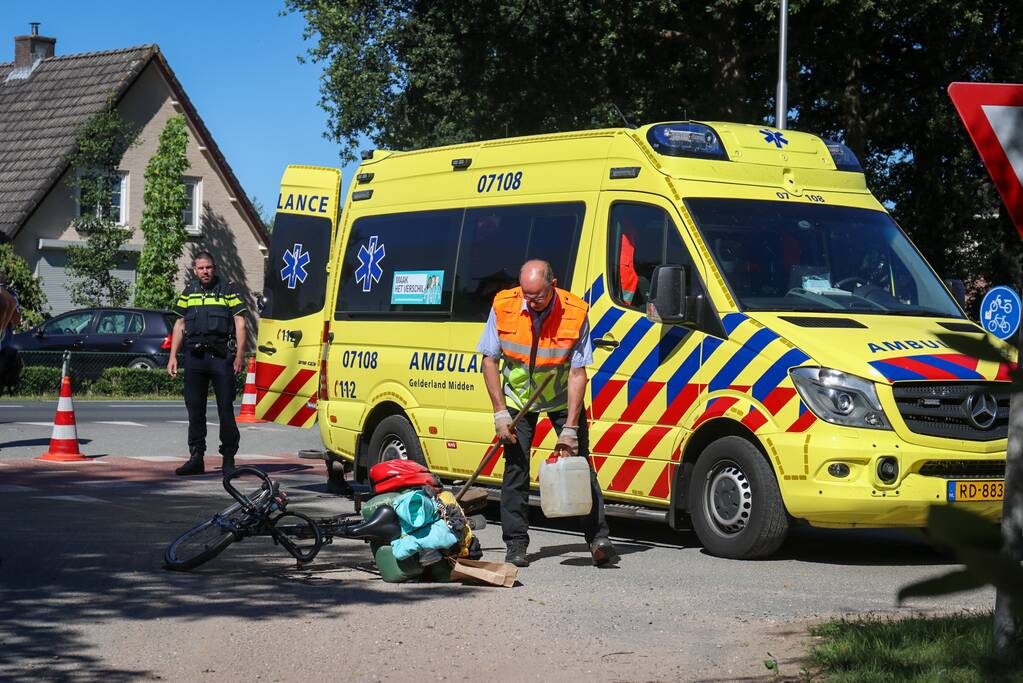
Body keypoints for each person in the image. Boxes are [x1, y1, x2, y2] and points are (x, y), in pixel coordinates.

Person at [477, 259, 618, 568]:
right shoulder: (504, 304)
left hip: (558, 397)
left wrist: (569, 429)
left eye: (537, 296)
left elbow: (578, 373)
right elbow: (489, 360)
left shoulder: (575, 311)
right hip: (517, 398)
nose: (529, 302)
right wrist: (500, 413)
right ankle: (516, 544)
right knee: (516, 468)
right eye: (525, 295)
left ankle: (598, 540)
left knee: (580, 464)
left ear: (552, 286)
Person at [167, 251, 248, 477]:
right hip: (194, 358)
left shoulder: (228, 290)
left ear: (214, 268)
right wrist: (173, 356)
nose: (205, 271)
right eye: (201, 268)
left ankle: (229, 459)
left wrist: (240, 355)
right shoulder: (189, 292)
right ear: (195, 270)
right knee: (195, 409)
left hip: (221, 357)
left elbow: (240, 323)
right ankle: (196, 457)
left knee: (225, 409)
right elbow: (179, 324)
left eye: (209, 267)